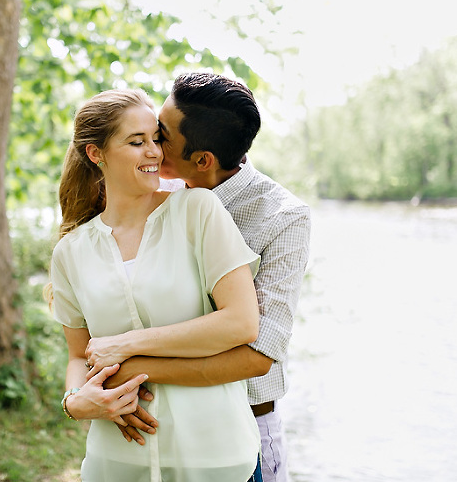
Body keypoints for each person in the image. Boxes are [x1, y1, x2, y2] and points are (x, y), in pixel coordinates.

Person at [103, 73, 311, 482]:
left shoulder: (282, 218)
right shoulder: (150, 195)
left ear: (203, 161)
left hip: (245, 429)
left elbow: (258, 357)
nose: (150, 143)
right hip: (157, 421)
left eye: (161, 135)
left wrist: (132, 364)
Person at [49, 88, 265, 481]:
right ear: (96, 154)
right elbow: (80, 355)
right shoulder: (70, 252)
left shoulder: (197, 210)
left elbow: (241, 323)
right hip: (116, 462)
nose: (155, 152)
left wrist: (127, 345)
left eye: (155, 139)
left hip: (214, 459)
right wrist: (77, 402)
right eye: (136, 142)